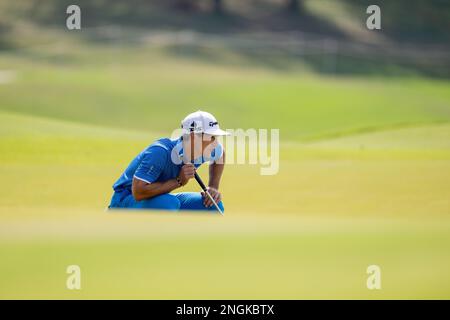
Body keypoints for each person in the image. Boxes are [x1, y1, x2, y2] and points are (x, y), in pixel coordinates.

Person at [108, 110, 229, 212]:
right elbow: (138, 192)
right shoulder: (160, 152)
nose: (215, 142)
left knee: (213, 205)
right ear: (193, 137)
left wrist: (213, 187)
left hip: (160, 198)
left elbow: (220, 154)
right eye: (211, 137)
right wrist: (178, 181)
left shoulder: (208, 148)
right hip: (125, 200)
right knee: (169, 203)